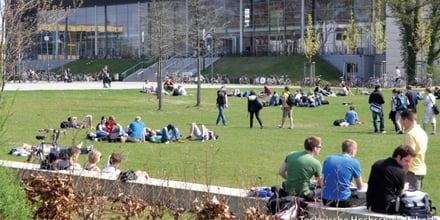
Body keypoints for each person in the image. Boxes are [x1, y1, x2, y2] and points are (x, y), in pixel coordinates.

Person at [366, 145, 416, 214]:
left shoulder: (377, 164)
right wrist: (404, 188)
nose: (408, 164)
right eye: (406, 161)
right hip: (387, 208)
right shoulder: (400, 172)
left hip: (371, 205)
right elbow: (400, 194)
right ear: (398, 157)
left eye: (410, 161)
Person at [322, 139, 366, 207]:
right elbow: (359, 186)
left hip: (325, 200)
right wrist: (365, 185)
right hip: (342, 201)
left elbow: (324, 179)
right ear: (353, 150)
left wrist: (346, 182)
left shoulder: (329, 159)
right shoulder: (354, 162)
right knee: (367, 197)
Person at [278, 136, 323, 201]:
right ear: (315, 148)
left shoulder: (291, 155)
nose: (320, 149)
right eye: (319, 147)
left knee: (284, 183)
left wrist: (292, 178)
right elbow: (321, 184)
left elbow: (281, 172)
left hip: (289, 191)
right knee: (323, 190)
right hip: (304, 194)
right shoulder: (315, 162)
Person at [401, 110, 428, 190]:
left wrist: (403, 172)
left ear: (406, 120)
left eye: (402, 121)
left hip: (412, 171)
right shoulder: (422, 132)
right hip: (421, 169)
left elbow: (409, 155)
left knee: (411, 199)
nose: (402, 124)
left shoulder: (410, 135)